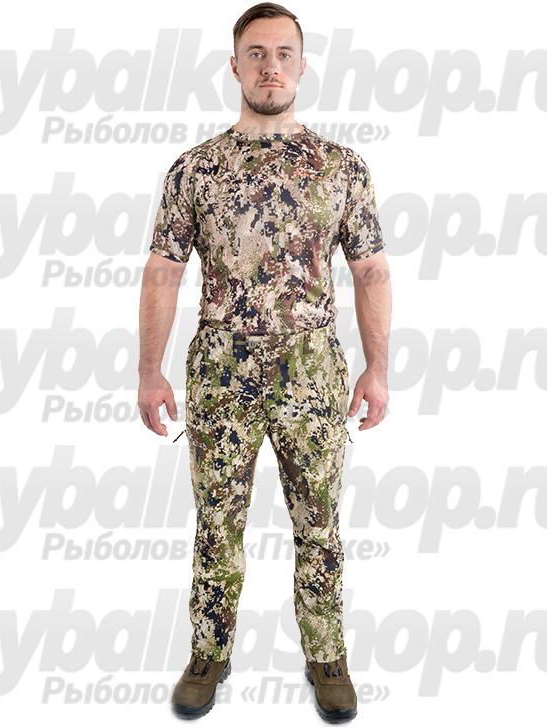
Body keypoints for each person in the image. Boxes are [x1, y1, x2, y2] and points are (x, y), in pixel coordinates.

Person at [137, 3, 391, 721]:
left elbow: (371, 272)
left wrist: (377, 369)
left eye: (283, 54)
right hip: (221, 369)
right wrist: (149, 370)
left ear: (302, 67)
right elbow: (163, 272)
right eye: (256, 53)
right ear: (235, 66)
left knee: (319, 521)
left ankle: (327, 654)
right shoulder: (196, 169)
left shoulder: (341, 168)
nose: (270, 66)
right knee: (216, 523)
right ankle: (208, 653)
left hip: (313, 368)